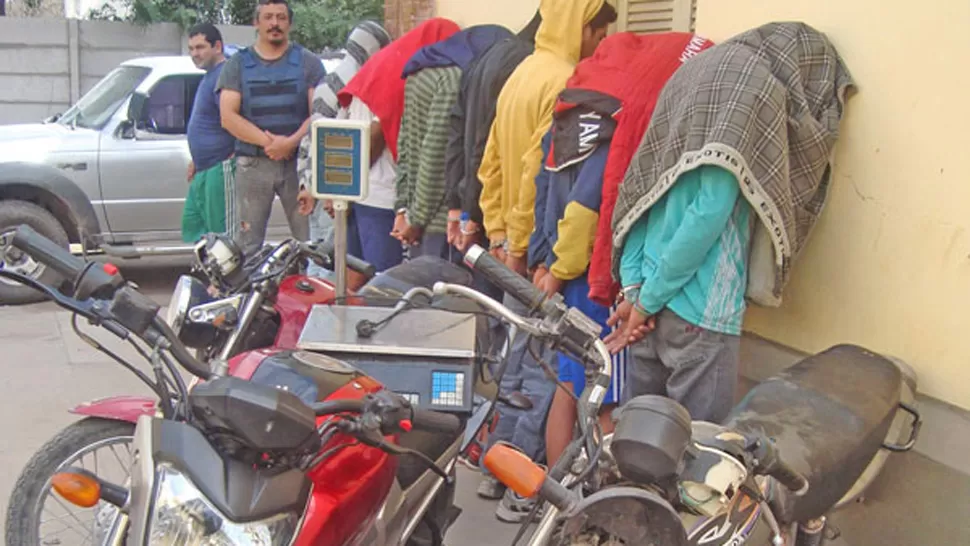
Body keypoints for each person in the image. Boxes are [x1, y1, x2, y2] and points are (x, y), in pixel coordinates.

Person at [605, 22, 854, 424]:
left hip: (647, 302)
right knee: (696, 451)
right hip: (698, 310)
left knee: (637, 435)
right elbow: (709, 211)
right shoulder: (752, 93)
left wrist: (636, 290)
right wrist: (646, 300)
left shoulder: (691, 78)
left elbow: (641, 193)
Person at [529, 31, 714, 467]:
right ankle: (598, 508)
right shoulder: (611, 132)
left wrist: (544, 261)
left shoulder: (569, 120)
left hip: (562, 275)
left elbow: (537, 187)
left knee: (569, 387)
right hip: (591, 283)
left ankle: (556, 500)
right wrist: (561, 269)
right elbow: (586, 211)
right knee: (608, 403)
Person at [476, 0, 616, 524]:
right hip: (540, 252)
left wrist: (496, 234)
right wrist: (521, 244)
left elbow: (490, 161)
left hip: (514, 249)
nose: (602, 43)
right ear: (580, 25)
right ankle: (524, 493)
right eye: (599, 31)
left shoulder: (521, 72)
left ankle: (496, 468)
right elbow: (542, 171)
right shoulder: (567, 81)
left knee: (517, 367)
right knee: (544, 377)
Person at [437, 11, 544, 505]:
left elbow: (464, 139)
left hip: (486, 219)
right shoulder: (532, 66)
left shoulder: (489, 58)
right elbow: (507, 157)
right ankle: (502, 462)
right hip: (509, 230)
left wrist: (462, 207)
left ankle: (485, 453)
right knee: (518, 350)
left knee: (499, 344)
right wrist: (504, 233)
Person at [299, 18, 459, 290]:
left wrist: (341, 190)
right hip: (380, 197)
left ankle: (342, 327)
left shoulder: (378, 64)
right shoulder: (402, 70)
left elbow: (343, 123)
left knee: (351, 278)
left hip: (358, 192)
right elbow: (375, 132)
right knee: (384, 285)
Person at [391, 25, 513, 260]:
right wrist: (416, 218)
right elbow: (436, 155)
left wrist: (403, 209)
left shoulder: (419, 69)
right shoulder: (453, 80)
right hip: (441, 224)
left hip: (419, 218)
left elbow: (404, 146)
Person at [217, 0, 325, 258]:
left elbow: (320, 113)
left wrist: (291, 143)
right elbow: (228, 117)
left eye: (280, 17)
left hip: (299, 166)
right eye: (268, 17)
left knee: (311, 242)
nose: (274, 24)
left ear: (289, 23)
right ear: (256, 22)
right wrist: (271, 143)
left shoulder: (308, 62)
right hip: (253, 165)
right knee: (247, 246)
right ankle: (249, 297)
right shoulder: (237, 65)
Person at [293, 21, 393, 278]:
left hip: (326, 185)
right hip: (338, 188)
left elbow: (310, 137)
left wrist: (307, 182)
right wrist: (331, 191)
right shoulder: (353, 83)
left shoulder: (330, 80)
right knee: (329, 266)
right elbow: (337, 141)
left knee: (330, 261)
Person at [181, 23, 236, 244]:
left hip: (220, 168)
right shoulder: (208, 77)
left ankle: (231, 280)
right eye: (191, 48)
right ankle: (213, 278)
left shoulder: (225, 75)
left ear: (218, 46)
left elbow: (235, 118)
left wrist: (234, 154)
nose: (195, 54)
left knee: (224, 239)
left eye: (201, 47)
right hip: (203, 169)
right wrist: (196, 159)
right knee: (195, 227)